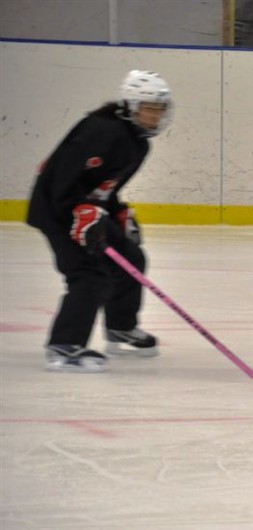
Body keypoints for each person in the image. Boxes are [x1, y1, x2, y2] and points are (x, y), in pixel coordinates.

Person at [26, 70, 172, 372]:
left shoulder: (138, 143)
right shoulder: (102, 131)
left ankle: (120, 327)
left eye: (160, 109)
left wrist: (118, 212)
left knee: (131, 257)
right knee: (89, 275)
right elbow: (60, 179)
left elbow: (104, 187)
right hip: (56, 211)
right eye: (150, 108)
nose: (156, 115)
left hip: (87, 211)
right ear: (131, 106)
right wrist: (78, 212)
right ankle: (64, 346)